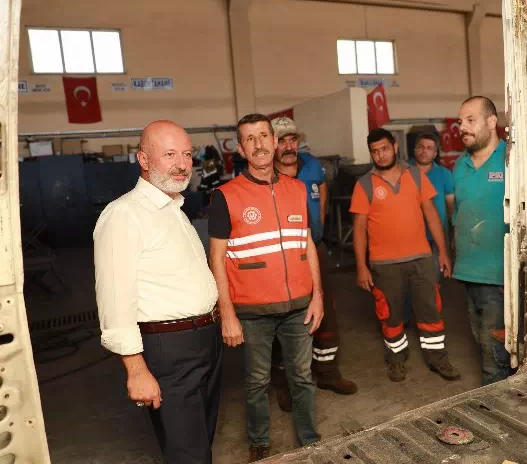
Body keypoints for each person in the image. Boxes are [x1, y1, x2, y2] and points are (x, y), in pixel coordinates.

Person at [93, 120, 222, 464]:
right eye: (169, 154)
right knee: (188, 452)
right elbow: (114, 300)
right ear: (143, 159)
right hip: (169, 350)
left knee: (201, 439)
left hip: (204, 341)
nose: (182, 164)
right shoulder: (124, 215)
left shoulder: (175, 209)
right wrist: (136, 370)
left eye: (187, 154)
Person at [207, 113, 324, 462]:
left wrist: (317, 296)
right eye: (249, 138)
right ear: (241, 149)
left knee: (302, 377)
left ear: (275, 142)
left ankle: (310, 439)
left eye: (263, 136)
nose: (258, 144)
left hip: (299, 306)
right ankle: (259, 442)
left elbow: (307, 244)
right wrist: (227, 313)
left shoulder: (297, 189)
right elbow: (216, 258)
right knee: (257, 381)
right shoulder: (225, 196)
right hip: (252, 311)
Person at [350, 128, 460, 383]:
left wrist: (443, 252)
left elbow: (432, 215)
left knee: (430, 311)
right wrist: (361, 267)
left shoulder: (416, 176)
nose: (380, 155)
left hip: (421, 258)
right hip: (384, 264)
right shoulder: (364, 184)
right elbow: (359, 229)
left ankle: (438, 358)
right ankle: (396, 359)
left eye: (384, 149)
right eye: (375, 151)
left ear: (395, 147)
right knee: (390, 315)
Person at [270, 117, 357, 409]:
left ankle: (328, 373)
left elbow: (322, 197)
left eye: (292, 139)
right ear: (272, 144)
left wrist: (317, 235)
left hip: (315, 248)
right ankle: (285, 383)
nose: (288, 146)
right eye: (281, 141)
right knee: (284, 316)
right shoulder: (266, 173)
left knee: (326, 310)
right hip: (283, 254)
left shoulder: (312, 165)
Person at [452, 96, 512, 386]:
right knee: (483, 345)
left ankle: (499, 409)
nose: (462, 127)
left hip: (499, 278)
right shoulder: (459, 165)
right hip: (469, 274)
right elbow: (457, 214)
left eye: (470, 120)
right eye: (460, 122)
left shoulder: (512, 160)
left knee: (495, 359)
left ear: (491, 121)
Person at [404, 131, 456, 325]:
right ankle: (407, 319)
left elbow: (451, 208)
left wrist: (451, 236)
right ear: (414, 149)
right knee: (407, 281)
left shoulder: (444, 175)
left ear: (435, 153)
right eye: (420, 147)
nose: (424, 151)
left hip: (435, 239)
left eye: (429, 148)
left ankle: (428, 320)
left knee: (431, 281)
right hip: (408, 238)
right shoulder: (403, 172)